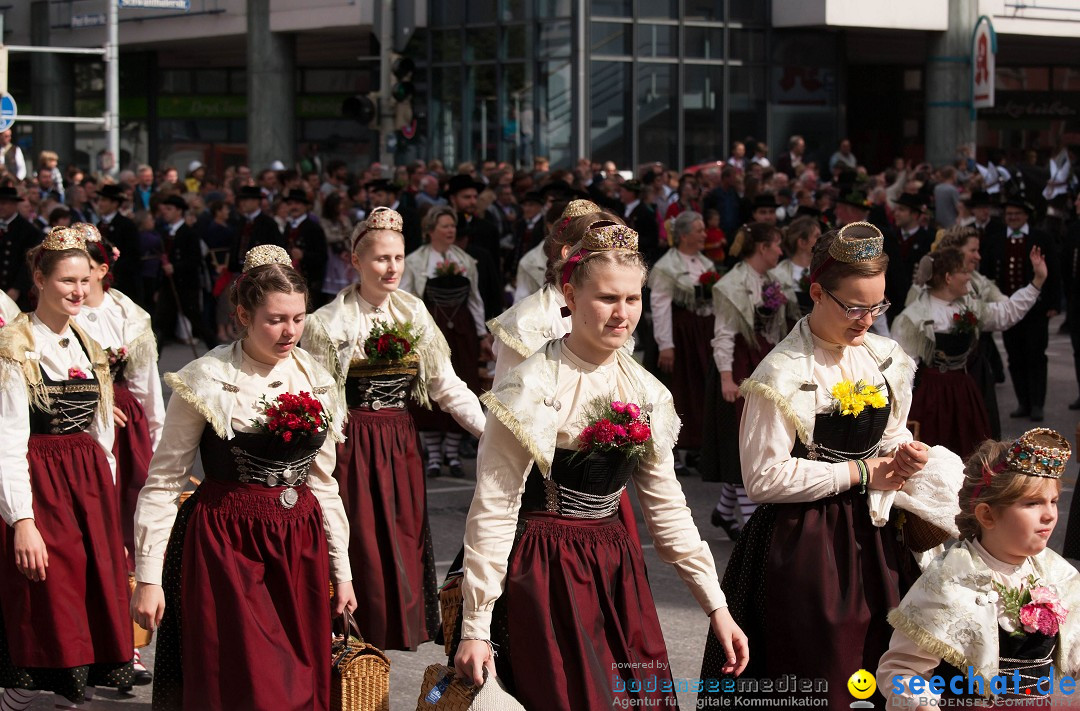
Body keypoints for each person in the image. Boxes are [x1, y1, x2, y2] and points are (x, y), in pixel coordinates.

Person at [454, 223, 747, 710]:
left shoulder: (647, 391)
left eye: (633, 299)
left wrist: (716, 606)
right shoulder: (527, 388)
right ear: (569, 293)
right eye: (607, 298)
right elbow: (495, 507)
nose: (622, 314)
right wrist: (475, 626)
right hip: (544, 570)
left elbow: (668, 508)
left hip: (616, 567)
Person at [698, 222, 931, 709]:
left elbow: (892, 434)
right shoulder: (782, 372)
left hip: (880, 535)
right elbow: (762, 478)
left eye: (878, 306)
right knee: (821, 676)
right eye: (854, 306)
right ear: (817, 292)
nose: (867, 320)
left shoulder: (885, 357)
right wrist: (862, 473)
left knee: (892, 662)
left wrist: (906, 454)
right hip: (807, 544)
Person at [130, 245, 357, 711]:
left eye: (298, 317)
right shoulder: (204, 379)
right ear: (242, 314)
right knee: (245, 676)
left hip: (300, 542)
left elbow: (324, 483)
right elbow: (164, 480)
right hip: (228, 543)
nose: (289, 331)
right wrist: (148, 577)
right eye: (275, 319)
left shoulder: (318, 377)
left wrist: (343, 571)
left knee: (299, 673)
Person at [302, 207, 484, 651]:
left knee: (401, 534)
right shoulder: (329, 323)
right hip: (353, 442)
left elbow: (447, 386)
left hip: (400, 440)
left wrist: (494, 435)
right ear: (356, 261)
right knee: (360, 539)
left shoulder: (414, 311)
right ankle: (352, 635)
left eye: (399, 258)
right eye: (381, 259)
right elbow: (321, 402)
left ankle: (390, 632)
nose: (392, 268)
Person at [0, 227, 137, 709]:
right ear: (39, 279)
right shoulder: (15, 347)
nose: (78, 291)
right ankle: (23, 685)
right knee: (47, 582)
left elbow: (103, 430)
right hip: (42, 479)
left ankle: (70, 686)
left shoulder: (86, 341)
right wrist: (22, 519)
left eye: (84, 280)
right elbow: (7, 439)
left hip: (87, 480)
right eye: (66, 281)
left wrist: (108, 492)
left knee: (91, 578)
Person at [878, 428, 1078, 707]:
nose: (1049, 515)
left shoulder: (1056, 574)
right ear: (987, 514)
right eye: (1032, 503)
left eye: (1053, 502)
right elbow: (901, 670)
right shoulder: (948, 582)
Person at [893, 246, 1046, 458]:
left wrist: (1037, 282)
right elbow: (902, 372)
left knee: (970, 453)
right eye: (964, 272)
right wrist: (899, 419)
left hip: (964, 393)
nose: (969, 277)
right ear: (948, 278)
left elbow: (1006, 313)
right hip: (932, 399)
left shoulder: (968, 306)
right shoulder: (914, 317)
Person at [701, 222, 798, 540]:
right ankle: (753, 524)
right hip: (740, 368)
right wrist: (728, 380)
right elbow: (724, 336)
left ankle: (724, 512)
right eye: (777, 245)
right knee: (744, 443)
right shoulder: (733, 285)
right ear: (762, 248)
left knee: (757, 437)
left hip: (762, 362)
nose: (781, 252)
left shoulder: (771, 279)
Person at [400, 205, 492, 478]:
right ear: (430, 231)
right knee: (428, 387)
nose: (451, 230)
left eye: (452, 225)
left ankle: (452, 455)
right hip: (430, 327)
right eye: (445, 226)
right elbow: (406, 299)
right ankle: (433, 456)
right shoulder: (416, 261)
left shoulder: (465, 260)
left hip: (460, 330)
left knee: (464, 381)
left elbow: (475, 300)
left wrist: (480, 333)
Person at [981, 197, 1060, 422]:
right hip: (1008, 309)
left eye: (1017, 214)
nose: (1012, 218)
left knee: (1036, 355)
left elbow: (1052, 270)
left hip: (1036, 310)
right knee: (1015, 357)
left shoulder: (1040, 238)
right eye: (1009, 214)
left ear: (1026, 216)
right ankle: (1022, 402)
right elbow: (987, 274)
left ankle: (1037, 404)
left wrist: (1053, 304)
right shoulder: (996, 240)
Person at [650, 210, 716, 472]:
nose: (704, 235)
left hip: (702, 333)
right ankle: (674, 451)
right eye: (699, 230)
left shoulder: (704, 263)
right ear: (685, 235)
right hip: (680, 336)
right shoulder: (667, 267)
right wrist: (666, 344)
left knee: (700, 390)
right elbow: (660, 307)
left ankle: (698, 448)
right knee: (678, 390)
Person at [768, 216, 820, 317]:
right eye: (817, 236)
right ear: (802, 242)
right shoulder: (778, 274)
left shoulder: (824, 270)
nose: (821, 240)